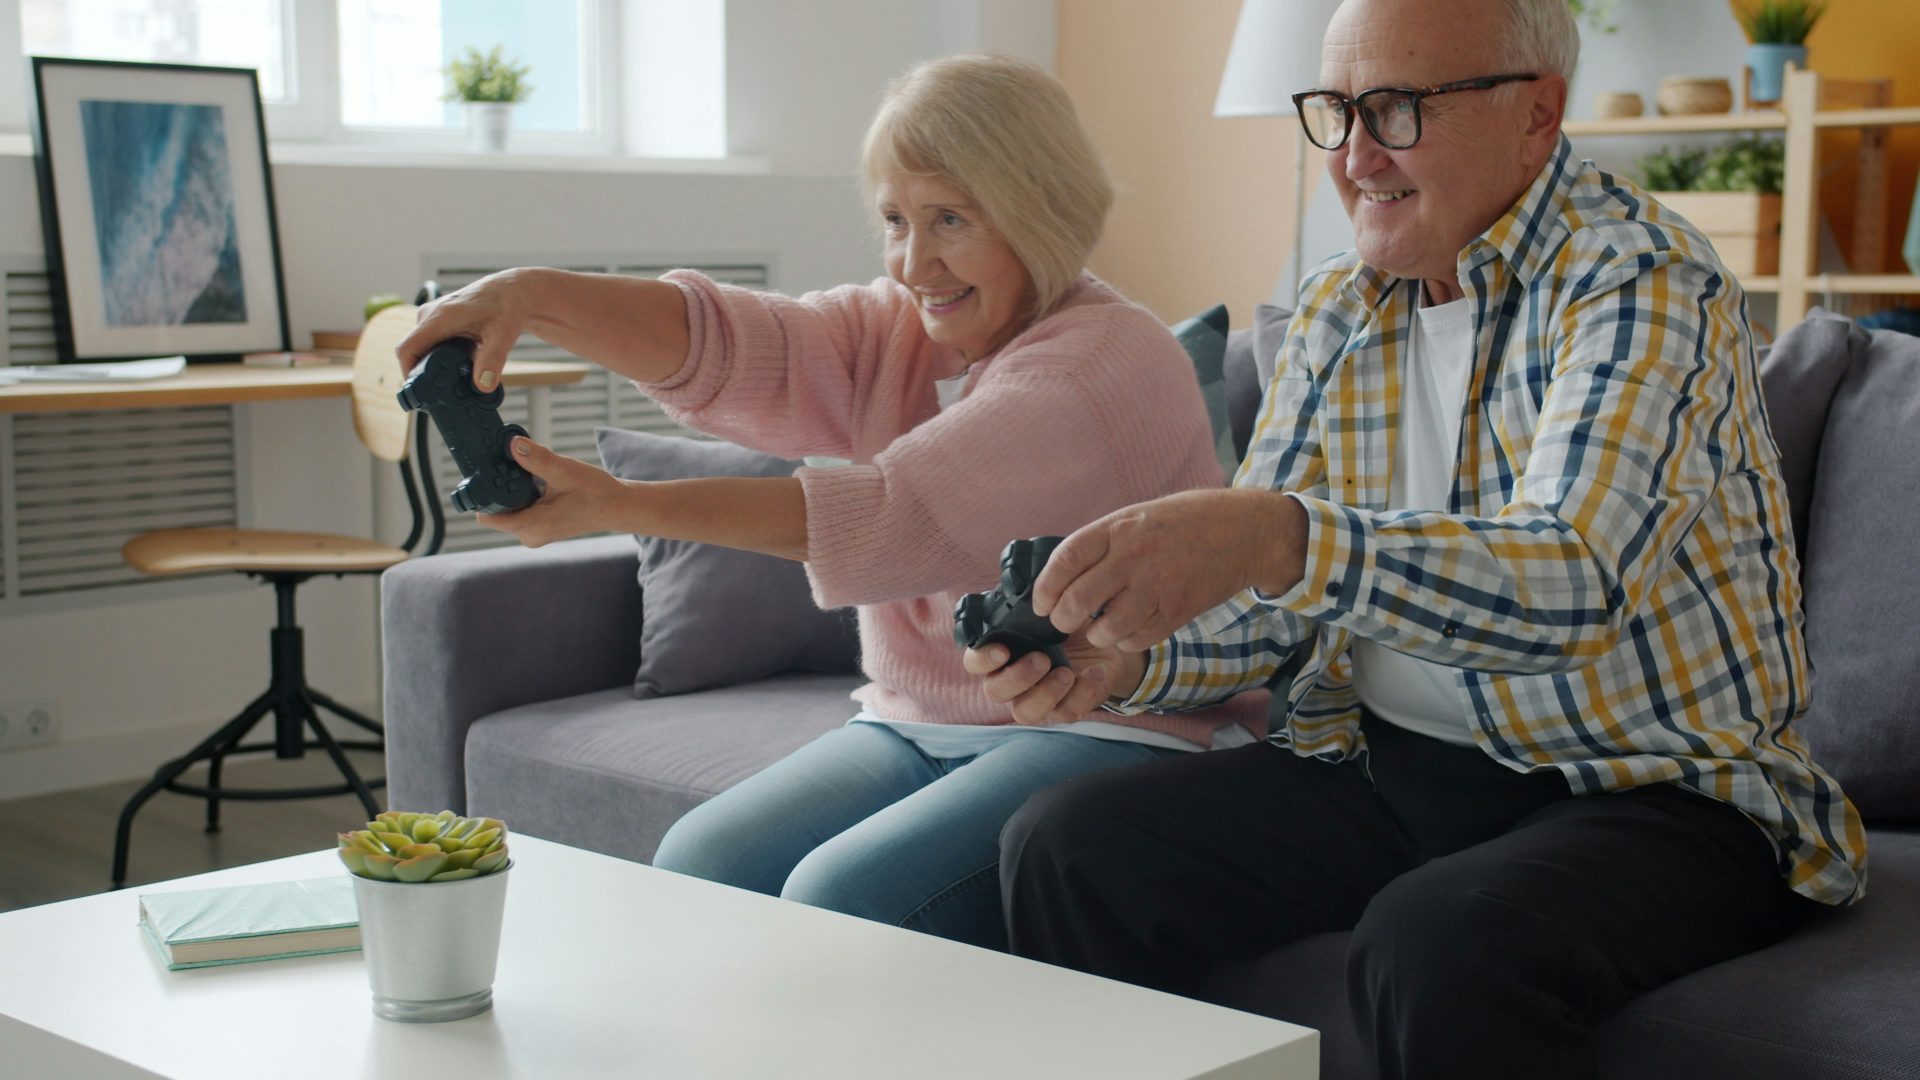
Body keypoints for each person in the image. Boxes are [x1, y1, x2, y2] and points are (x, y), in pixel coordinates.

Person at [963, 1, 1867, 1075]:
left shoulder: (1640, 281)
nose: (1354, 156)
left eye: (1394, 110)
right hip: (1395, 775)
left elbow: (1567, 582)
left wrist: (1281, 536)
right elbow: (1265, 603)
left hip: (1653, 795)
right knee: (1070, 847)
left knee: (1441, 939)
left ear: (1538, 112)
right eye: (1338, 110)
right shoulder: (1342, 306)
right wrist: (1130, 658)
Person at [395, 54, 1264, 951]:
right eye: (895, 220)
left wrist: (621, 503)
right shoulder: (903, 326)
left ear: (1039, 210)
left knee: (838, 899)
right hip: (917, 722)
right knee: (700, 863)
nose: (914, 261)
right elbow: (736, 342)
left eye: (951, 220)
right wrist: (530, 296)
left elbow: (889, 511)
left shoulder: (1106, 361)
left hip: (1119, 725)